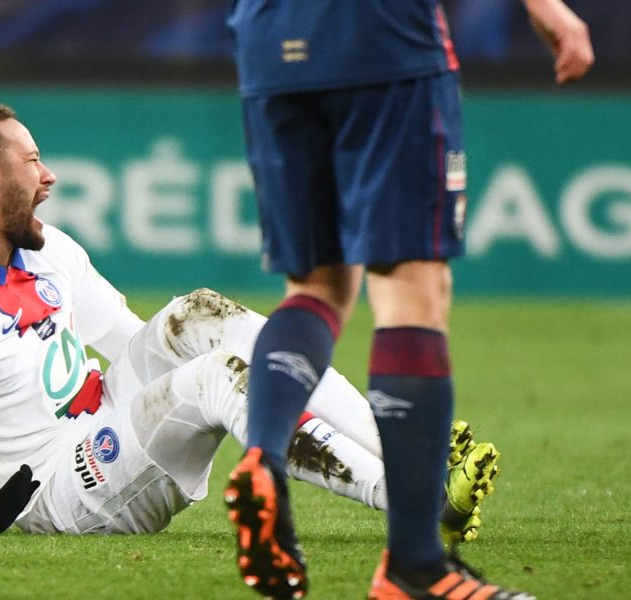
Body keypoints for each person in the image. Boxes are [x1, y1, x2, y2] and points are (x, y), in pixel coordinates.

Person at [0, 101, 499, 551]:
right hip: (57, 490)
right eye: (33, 160)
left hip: (105, 423)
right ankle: (415, 501)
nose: (48, 177)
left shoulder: (49, 251)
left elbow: (131, 340)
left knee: (201, 313)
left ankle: (398, 444)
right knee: (214, 379)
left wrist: (176, 381)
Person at [223, 0, 593, 598]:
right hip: (382, 37)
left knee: (316, 286)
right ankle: (414, 567)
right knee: (411, 287)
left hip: (269, 42)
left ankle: (263, 456)